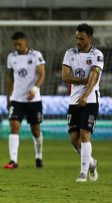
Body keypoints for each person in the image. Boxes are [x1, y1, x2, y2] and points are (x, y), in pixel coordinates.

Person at [61, 23, 103, 182]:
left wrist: (85, 95)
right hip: (74, 101)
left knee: (85, 135)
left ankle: (83, 173)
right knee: (74, 138)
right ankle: (91, 163)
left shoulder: (97, 55)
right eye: (76, 38)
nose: (78, 41)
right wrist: (83, 80)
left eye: (81, 38)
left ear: (89, 39)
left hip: (90, 99)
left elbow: (94, 78)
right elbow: (65, 77)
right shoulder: (69, 53)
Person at [4, 32, 45, 169]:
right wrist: (8, 97)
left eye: (19, 44)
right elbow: (9, 78)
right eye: (15, 44)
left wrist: (34, 89)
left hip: (33, 100)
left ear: (25, 42)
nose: (17, 46)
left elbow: (42, 74)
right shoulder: (11, 57)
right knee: (14, 127)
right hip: (17, 99)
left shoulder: (35, 55)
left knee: (35, 130)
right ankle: (13, 160)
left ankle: (38, 156)